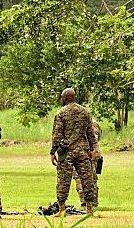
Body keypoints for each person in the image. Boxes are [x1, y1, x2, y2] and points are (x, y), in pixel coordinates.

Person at [51, 88, 97, 216]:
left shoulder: (61, 113)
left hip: (66, 151)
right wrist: (93, 149)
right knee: (87, 178)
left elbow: (57, 134)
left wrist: (53, 151)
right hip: (82, 150)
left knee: (63, 180)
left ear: (65, 98)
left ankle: (62, 209)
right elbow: (90, 133)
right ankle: (89, 208)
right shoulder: (84, 112)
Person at [74, 117, 101, 203]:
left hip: (89, 154)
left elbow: (94, 139)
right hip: (86, 154)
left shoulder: (91, 123)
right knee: (85, 178)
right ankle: (88, 201)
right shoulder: (92, 123)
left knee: (89, 178)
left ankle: (89, 201)